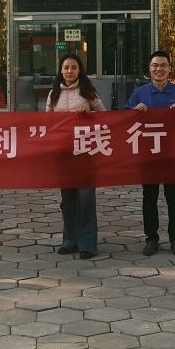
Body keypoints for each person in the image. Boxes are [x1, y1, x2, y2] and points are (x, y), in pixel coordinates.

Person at [124, 50, 175, 257]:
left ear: (170, 69)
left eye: (163, 65)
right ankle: (151, 238)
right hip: (148, 154)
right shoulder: (139, 93)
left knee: (173, 197)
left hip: (173, 153)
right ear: (149, 68)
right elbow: (124, 119)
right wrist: (135, 111)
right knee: (149, 197)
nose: (159, 69)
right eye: (155, 65)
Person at [47, 53, 105, 260]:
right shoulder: (54, 93)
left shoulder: (89, 91)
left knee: (86, 197)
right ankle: (69, 240)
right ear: (61, 71)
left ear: (79, 70)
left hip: (86, 152)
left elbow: (105, 117)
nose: (69, 71)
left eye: (73, 67)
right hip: (63, 154)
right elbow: (47, 122)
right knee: (68, 199)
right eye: (66, 68)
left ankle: (88, 244)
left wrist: (89, 115)